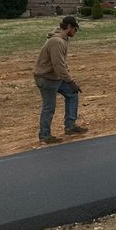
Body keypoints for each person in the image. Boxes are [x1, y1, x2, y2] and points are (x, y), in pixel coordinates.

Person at [33, 15, 88, 143]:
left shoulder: (63, 40)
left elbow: (61, 64)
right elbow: (58, 65)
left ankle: (70, 126)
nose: (75, 32)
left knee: (72, 94)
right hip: (46, 78)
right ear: (68, 27)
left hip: (55, 77)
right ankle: (45, 135)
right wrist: (70, 81)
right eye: (75, 29)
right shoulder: (56, 42)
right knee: (49, 107)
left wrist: (69, 80)